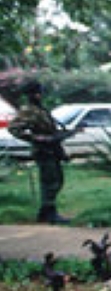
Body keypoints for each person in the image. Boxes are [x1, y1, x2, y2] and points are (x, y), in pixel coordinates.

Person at [9, 80, 72, 224]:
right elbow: (13, 128)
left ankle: (45, 212)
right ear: (33, 94)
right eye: (38, 92)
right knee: (51, 182)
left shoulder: (41, 109)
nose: (40, 95)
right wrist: (34, 138)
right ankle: (50, 214)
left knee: (57, 180)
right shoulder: (29, 110)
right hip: (43, 151)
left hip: (52, 149)